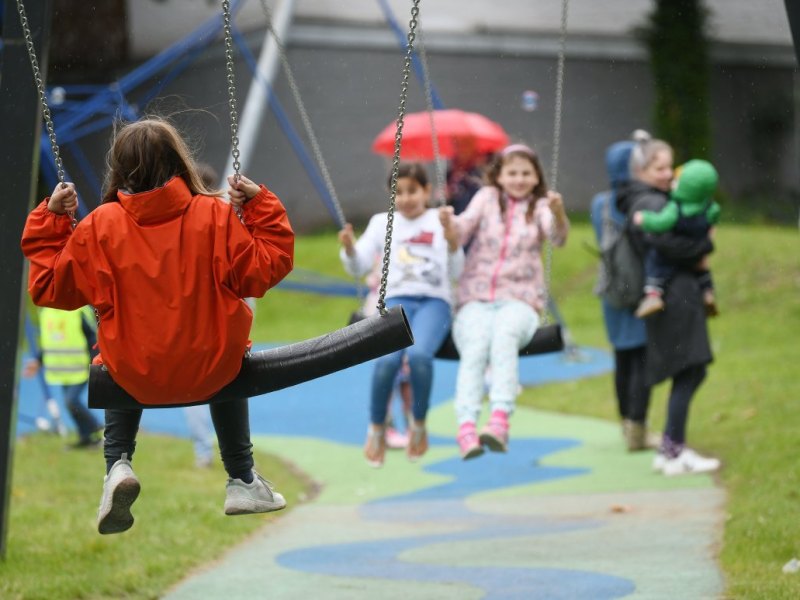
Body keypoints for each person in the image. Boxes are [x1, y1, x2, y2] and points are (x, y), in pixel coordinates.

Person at [21, 117, 295, 534]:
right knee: (225, 357)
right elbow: (270, 263)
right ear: (178, 162)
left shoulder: (100, 226)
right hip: (213, 369)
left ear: (119, 169)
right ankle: (241, 479)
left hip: (134, 376)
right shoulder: (215, 216)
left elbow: (48, 286)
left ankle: (117, 465)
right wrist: (259, 206)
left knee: (116, 355)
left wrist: (52, 220)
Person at [439, 143, 570, 460]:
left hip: (520, 300)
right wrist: (448, 225)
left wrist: (558, 212)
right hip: (475, 297)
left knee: (504, 337)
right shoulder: (485, 199)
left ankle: (499, 419)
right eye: (512, 173)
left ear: (537, 177)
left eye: (526, 173)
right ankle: (466, 426)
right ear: (499, 175)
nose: (519, 179)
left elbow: (557, 237)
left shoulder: (540, 205)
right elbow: (462, 230)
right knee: (475, 346)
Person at [339, 162, 463, 467]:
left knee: (419, 356)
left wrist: (452, 239)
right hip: (396, 300)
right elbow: (358, 266)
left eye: (412, 191)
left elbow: (457, 270)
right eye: (399, 192)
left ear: (427, 191)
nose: (406, 198)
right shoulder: (382, 222)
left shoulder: (440, 219)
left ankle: (418, 423)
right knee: (387, 361)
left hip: (434, 301)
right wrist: (350, 250)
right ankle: (377, 427)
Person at [616, 133, 721, 476]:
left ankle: (670, 449)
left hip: (675, 293)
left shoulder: (655, 199)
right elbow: (666, 246)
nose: (666, 174)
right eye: (658, 167)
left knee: (691, 370)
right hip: (674, 295)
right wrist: (706, 244)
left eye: (669, 167)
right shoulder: (651, 203)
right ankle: (673, 452)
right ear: (640, 170)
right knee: (690, 370)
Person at [589, 139, 653, 451]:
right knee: (642, 359)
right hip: (641, 287)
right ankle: (638, 429)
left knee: (622, 358)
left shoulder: (599, 204)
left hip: (613, 288)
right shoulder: (645, 201)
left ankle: (626, 422)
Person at [633, 159, 721, 319]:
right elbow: (714, 219)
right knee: (702, 267)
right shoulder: (710, 208)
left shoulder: (675, 208)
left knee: (655, 261)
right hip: (697, 251)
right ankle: (707, 292)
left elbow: (661, 223)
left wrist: (644, 219)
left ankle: (653, 295)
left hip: (673, 253)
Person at [24, 306, 103, 448]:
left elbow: (92, 339)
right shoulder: (46, 313)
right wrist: (38, 361)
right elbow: (49, 343)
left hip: (81, 368)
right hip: (63, 371)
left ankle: (97, 426)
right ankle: (86, 438)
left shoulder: (78, 312)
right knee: (70, 404)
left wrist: (95, 362)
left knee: (71, 401)